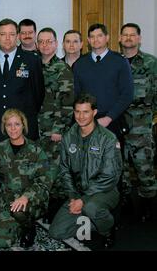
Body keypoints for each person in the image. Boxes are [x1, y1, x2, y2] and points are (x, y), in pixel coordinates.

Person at [49, 94, 122, 248]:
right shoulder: (69, 137)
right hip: (78, 192)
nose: (81, 117)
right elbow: (64, 170)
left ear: (94, 112)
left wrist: (83, 201)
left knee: (91, 207)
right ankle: (93, 220)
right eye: (77, 112)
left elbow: (110, 177)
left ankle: (108, 229)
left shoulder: (108, 138)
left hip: (105, 191)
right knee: (56, 232)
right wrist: (72, 197)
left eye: (86, 112)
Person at [0, 109, 52, 248]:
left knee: (19, 211)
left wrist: (26, 197)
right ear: (4, 127)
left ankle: (28, 226)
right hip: (7, 201)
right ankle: (17, 225)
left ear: (23, 125)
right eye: (9, 125)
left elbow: (45, 180)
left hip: (31, 201)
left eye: (17, 124)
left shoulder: (36, 150)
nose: (13, 128)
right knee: (1, 243)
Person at [0, 18, 45, 149]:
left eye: (12, 34)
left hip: (23, 130)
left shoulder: (32, 60)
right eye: (3, 34)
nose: (7, 38)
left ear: (18, 36)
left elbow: (38, 95)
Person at [119, 23, 157, 220]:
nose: (128, 38)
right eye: (125, 35)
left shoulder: (151, 63)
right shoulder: (114, 61)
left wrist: (150, 119)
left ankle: (149, 207)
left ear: (139, 39)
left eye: (132, 35)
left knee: (145, 169)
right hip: (118, 125)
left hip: (141, 128)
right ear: (119, 38)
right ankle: (126, 206)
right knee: (121, 170)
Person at [37, 28, 74, 219]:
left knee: (55, 170)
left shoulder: (62, 69)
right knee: (41, 169)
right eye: (41, 42)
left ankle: (57, 211)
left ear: (55, 43)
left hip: (53, 130)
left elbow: (67, 103)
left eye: (48, 41)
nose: (45, 45)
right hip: (37, 129)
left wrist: (59, 129)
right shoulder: (34, 66)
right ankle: (42, 207)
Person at [73, 23, 134, 140]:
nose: (96, 39)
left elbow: (127, 94)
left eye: (99, 35)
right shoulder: (80, 64)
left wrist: (109, 117)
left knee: (112, 157)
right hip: (86, 122)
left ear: (107, 38)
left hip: (113, 121)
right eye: (92, 36)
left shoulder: (120, 62)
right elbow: (77, 94)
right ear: (88, 40)